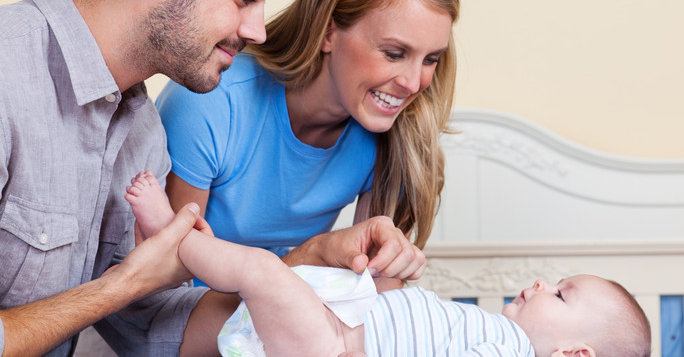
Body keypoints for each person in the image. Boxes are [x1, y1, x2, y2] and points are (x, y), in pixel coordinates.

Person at [0, 0, 429, 356]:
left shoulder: (141, 132)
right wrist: (123, 285)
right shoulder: (7, 76)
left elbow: (151, 327)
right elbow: (128, 294)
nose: (258, 31)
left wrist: (301, 263)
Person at [155, 0, 460, 277]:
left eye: (431, 59)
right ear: (329, 32)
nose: (412, 83)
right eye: (394, 53)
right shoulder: (212, 102)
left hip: (292, 320)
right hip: (190, 321)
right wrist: (312, 255)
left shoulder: (399, 136)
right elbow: (164, 287)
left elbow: (373, 290)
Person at [126, 171, 652, 357]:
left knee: (261, 273)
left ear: (575, 353)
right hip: (336, 324)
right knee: (262, 280)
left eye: (561, 293)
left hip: (330, 346)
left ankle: (171, 239)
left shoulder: (507, 350)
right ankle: (187, 242)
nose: (541, 284)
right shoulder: (497, 334)